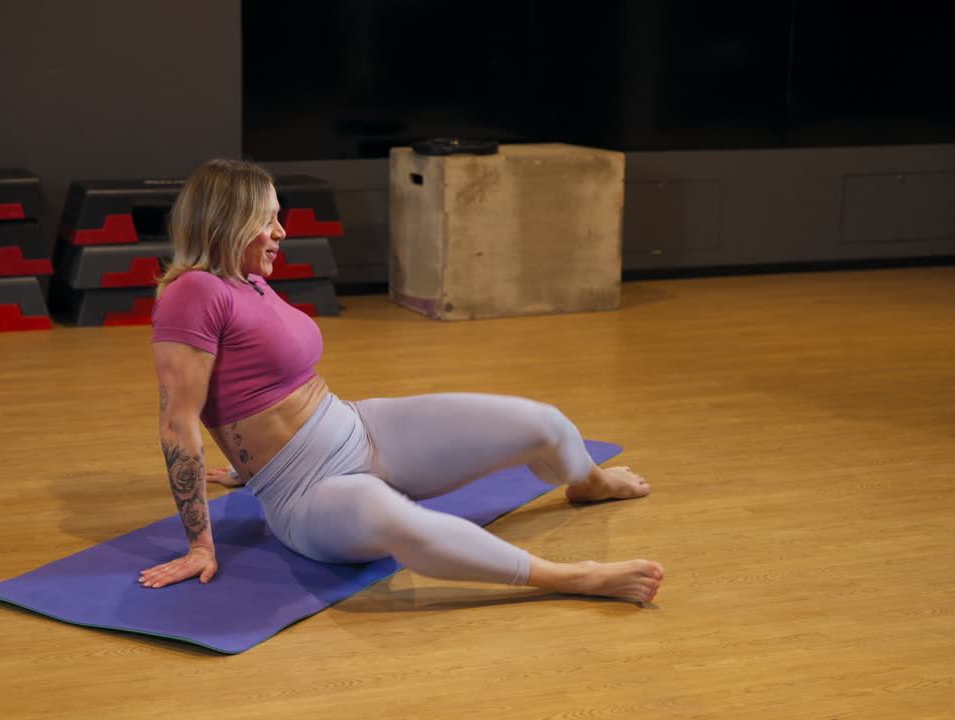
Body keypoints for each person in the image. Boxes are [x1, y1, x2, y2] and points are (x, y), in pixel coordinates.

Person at [139, 159, 664, 604]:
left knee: (545, 424)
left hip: (359, 427)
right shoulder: (192, 292)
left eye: (279, 219)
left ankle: (588, 482)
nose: (281, 233)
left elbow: (246, 382)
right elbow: (177, 420)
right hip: (308, 492)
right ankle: (574, 577)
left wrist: (241, 461)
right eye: (267, 220)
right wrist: (201, 545)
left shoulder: (248, 280)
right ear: (229, 223)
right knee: (399, 523)